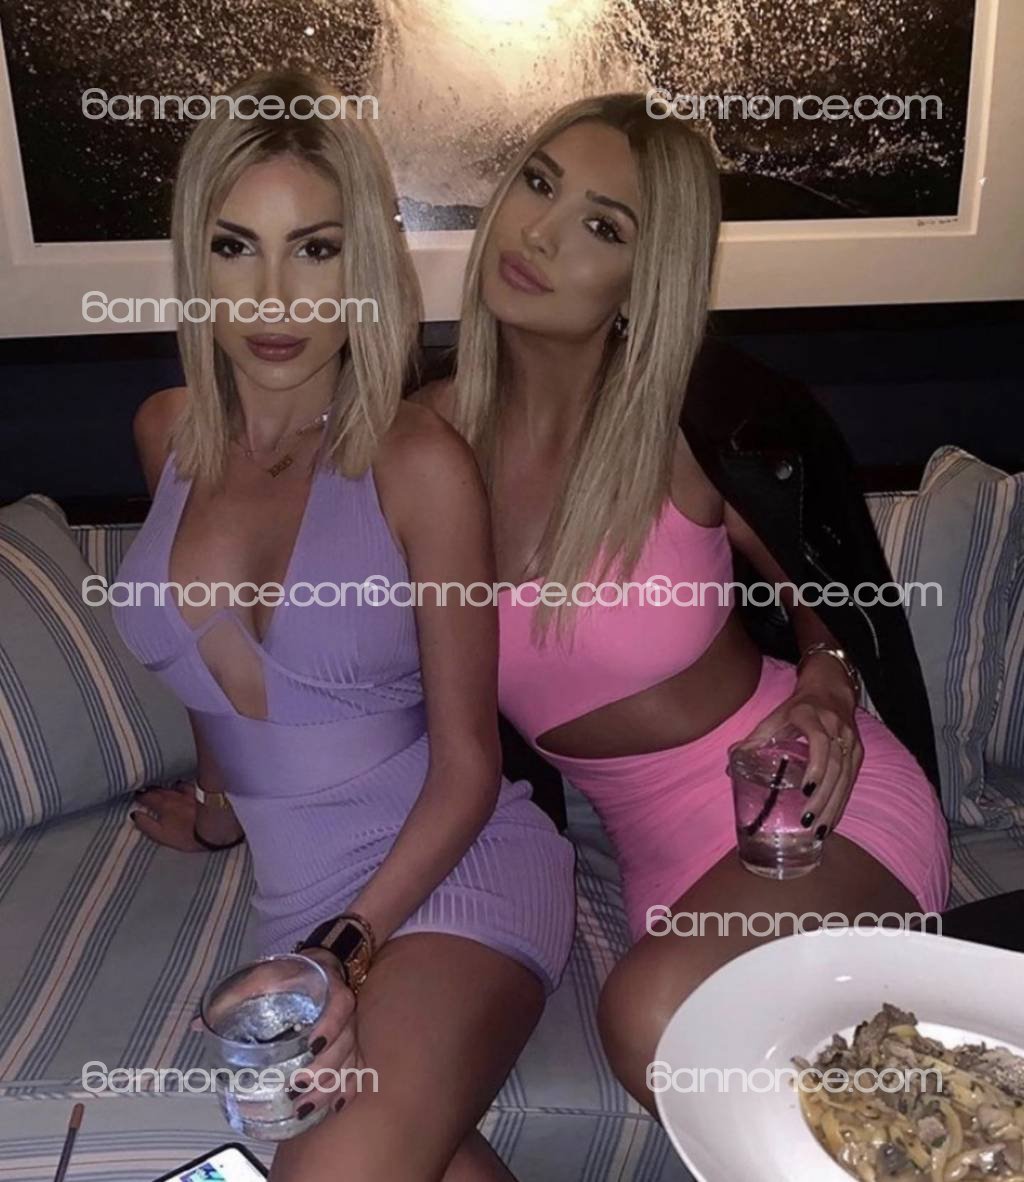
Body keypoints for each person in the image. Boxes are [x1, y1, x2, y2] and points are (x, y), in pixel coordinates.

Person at [412, 92, 951, 1114]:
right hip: (664, 867)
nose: (540, 233)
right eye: (538, 184)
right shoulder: (419, 444)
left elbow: (830, 595)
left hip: (804, 800)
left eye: (602, 227)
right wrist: (225, 802)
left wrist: (828, 686)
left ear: (642, 278)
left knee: (654, 1016)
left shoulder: (692, 427)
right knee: (746, 1086)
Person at [113, 70, 575, 1181]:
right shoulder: (168, 434)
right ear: (195, 260)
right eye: (236, 247)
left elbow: (469, 767)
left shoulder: (419, 465)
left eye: (314, 250)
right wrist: (218, 816)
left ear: (363, 262)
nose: (274, 297)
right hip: (301, 907)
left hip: (452, 875)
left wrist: (347, 948)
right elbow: (213, 676)